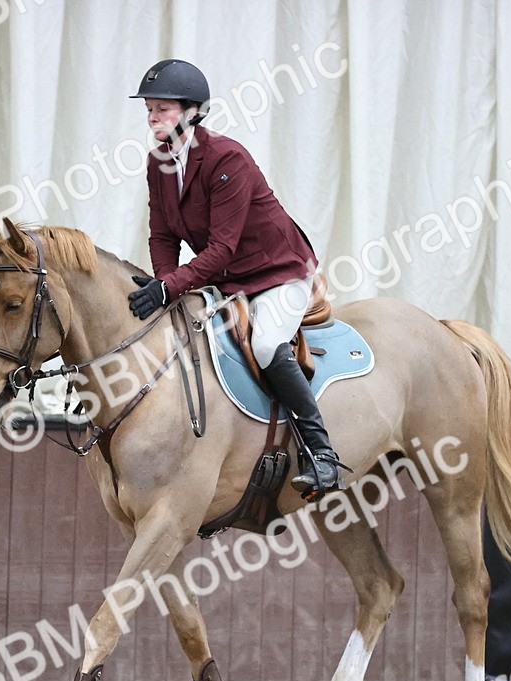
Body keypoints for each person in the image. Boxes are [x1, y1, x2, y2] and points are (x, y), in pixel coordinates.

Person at [126, 59, 346, 500]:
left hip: (278, 272)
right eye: (149, 109)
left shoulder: (228, 158)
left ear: (192, 112)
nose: (152, 118)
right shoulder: (159, 163)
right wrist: (164, 283)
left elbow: (222, 248)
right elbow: (162, 234)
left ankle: (322, 455)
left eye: (162, 109)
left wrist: (170, 287)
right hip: (227, 280)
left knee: (265, 344)